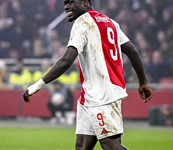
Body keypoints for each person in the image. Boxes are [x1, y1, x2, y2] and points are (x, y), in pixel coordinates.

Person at [23, 0, 153, 149]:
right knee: (82, 146)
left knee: (111, 146)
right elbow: (132, 51)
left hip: (102, 95)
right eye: (65, 3)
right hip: (89, 96)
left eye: (71, 2)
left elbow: (66, 60)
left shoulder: (82, 23)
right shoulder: (110, 22)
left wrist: (37, 85)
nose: (66, 6)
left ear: (85, 2)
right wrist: (143, 82)